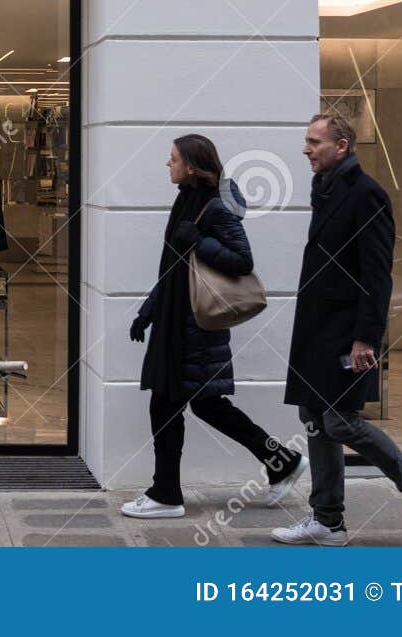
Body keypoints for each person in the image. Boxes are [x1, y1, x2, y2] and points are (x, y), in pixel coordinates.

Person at [272, 113, 402, 546]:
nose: (306, 149)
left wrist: (367, 336)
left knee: (341, 420)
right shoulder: (324, 187)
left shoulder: (367, 194)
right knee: (313, 415)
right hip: (317, 324)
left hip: (347, 330)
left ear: (342, 145)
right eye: (307, 141)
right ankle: (328, 521)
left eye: (314, 141)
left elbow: (377, 272)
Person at [123, 134, 305, 519]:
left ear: (191, 164)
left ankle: (167, 495)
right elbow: (174, 270)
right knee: (205, 406)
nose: (166, 164)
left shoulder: (215, 207)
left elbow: (242, 261)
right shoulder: (185, 200)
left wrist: (200, 241)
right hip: (176, 323)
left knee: (170, 406)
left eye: (172, 158)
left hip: (193, 330)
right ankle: (282, 461)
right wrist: (148, 311)